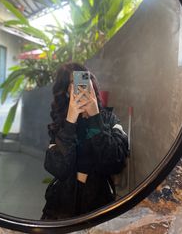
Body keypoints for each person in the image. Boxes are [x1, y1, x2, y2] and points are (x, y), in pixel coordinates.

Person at [41, 62, 128, 220]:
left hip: (99, 206)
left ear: (92, 85)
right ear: (67, 91)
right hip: (61, 207)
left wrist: (95, 117)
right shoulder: (61, 123)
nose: (80, 88)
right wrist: (70, 121)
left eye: (84, 82)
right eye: (74, 84)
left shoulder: (109, 120)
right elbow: (57, 168)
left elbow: (115, 162)